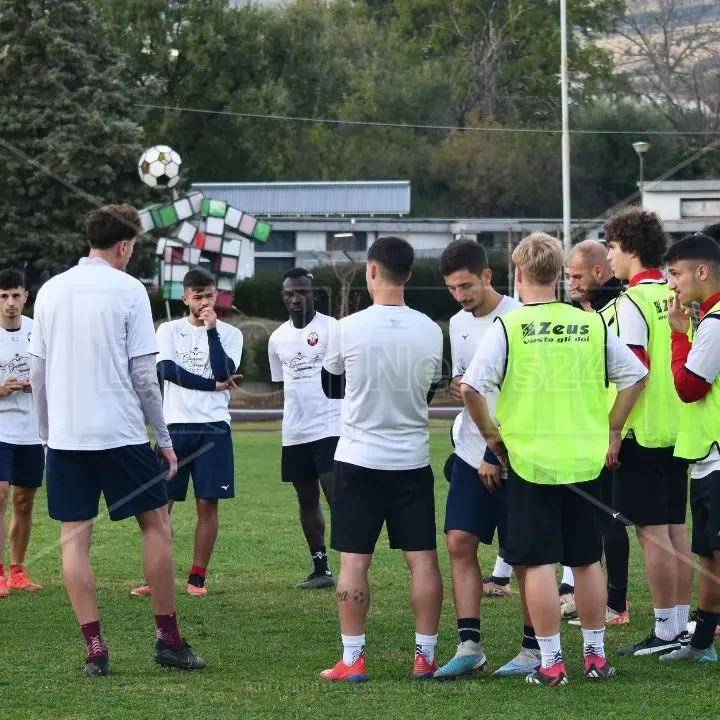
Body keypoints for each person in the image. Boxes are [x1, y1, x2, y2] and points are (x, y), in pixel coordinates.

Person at [461, 233, 647, 686]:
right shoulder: (590, 322)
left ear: (518, 273)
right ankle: (596, 658)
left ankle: (551, 662)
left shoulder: (509, 327)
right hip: (585, 460)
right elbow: (636, 378)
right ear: (559, 273)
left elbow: (469, 388)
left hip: (531, 461)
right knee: (586, 561)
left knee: (540, 562)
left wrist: (492, 438)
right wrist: (611, 428)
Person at [29, 204, 205, 675]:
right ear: (124, 245)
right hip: (121, 434)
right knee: (156, 526)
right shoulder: (129, 290)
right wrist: (164, 439)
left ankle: (95, 649)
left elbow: (38, 373)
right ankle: (168, 641)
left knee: (73, 540)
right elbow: (145, 378)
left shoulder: (48, 291)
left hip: (67, 438)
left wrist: (47, 433)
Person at [318, 236, 444, 682]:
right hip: (411, 460)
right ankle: (424, 657)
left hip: (357, 459)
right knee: (423, 560)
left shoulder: (346, 328)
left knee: (354, 560)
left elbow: (331, 387)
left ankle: (353, 659)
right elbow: (431, 390)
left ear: (371, 271)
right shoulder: (431, 329)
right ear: (409, 275)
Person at [605, 207, 694, 657]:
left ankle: (664, 631)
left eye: (613, 247)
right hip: (680, 429)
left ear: (631, 250)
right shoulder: (676, 292)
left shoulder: (630, 302)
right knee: (675, 528)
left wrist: (614, 428)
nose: (609, 255)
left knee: (652, 533)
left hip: (642, 432)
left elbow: (633, 373)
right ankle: (679, 625)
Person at [433, 239, 521, 680]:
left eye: (466, 285)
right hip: (470, 452)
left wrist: (495, 450)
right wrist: (457, 385)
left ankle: (532, 647)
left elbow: (517, 396)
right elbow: (473, 383)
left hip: (514, 454)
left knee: (524, 553)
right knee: (458, 541)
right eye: (451, 288)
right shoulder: (457, 322)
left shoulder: (520, 317)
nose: (460, 296)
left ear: (488, 275)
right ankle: (470, 644)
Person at [132, 268, 242, 598]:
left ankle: (197, 577)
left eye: (210, 296)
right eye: (198, 297)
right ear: (185, 298)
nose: (206, 302)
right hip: (174, 428)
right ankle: (156, 577)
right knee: (160, 505)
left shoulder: (230, 333)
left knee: (207, 504)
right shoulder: (168, 329)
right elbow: (167, 370)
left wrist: (211, 332)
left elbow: (225, 370)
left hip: (214, 428)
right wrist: (212, 385)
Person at [660, 232, 720, 663]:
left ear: (702, 271)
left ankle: (702, 643)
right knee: (710, 555)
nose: (673, 285)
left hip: (715, 456)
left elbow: (689, 387)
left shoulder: (715, 323)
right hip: (706, 456)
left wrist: (678, 336)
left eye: (676, 274)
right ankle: (701, 643)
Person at [564, 240, 631, 626]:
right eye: (567, 276)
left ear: (598, 273)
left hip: (614, 430)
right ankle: (590, 595)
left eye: (576, 276)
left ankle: (617, 605)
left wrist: (614, 428)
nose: (571, 284)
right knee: (594, 517)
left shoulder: (615, 312)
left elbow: (633, 374)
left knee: (612, 517)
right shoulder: (583, 314)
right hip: (589, 430)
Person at [268, 268, 340, 589]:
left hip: (330, 428)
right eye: (289, 294)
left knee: (337, 495)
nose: (296, 299)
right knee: (306, 500)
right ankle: (321, 568)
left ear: (313, 294)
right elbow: (283, 387)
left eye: (302, 292)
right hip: (295, 432)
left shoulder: (332, 329)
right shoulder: (277, 338)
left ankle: (354, 563)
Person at [0, 269, 44, 597]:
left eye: (16, 295)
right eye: (3, 296)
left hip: (31, 431)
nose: (10, 303)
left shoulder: (38, 331)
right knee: (0, 495)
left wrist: (37, 385)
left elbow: (56, 373)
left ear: (25, 296)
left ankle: (17, 571)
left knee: (24, 501)